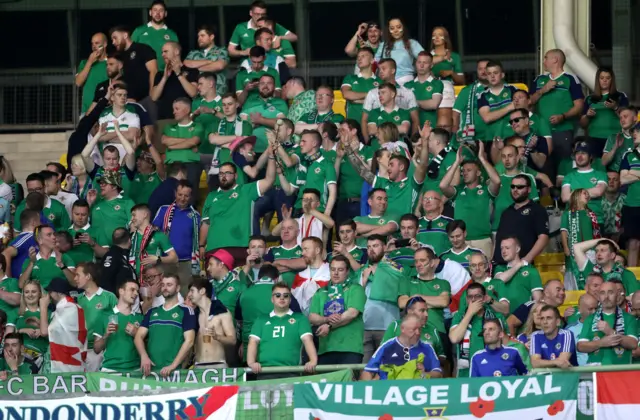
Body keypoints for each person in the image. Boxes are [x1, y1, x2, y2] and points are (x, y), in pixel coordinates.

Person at [200, 155, 276, 263]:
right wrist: (202, 245)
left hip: (240, 247)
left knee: (241, 279)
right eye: (221, 173)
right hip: (214, 248)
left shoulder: (246, 190)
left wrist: (271, 157)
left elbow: (269, 180)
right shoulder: (211, 196)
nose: (224, 176)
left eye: (228, 173)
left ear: (235, 176)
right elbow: (206, 223)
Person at [530, 49, 585, 177]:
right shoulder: (539, 80)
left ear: (555, 59)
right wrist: (544, 89)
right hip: (541, 132)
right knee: (543, 166)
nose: (543, 61)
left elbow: (579, 105)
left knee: (563, 166)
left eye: (546, 58)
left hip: (563, 130)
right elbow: (529, 101)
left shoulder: (570, 79)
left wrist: (563, 116)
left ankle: (562, 194)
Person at [440, 143, 500, 257]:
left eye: (469, 170)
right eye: (463, 171)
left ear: (478, 173)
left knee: (484, 273)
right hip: (461, 242)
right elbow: (443, 186)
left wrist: (482, 158)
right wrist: (456, 162)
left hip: (482, 240)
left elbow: (496, 181)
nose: (464, 173)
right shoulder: (458, 191)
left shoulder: (486, 190)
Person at [247, 282, 317, 379]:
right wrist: (251, 362)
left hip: (292, 371)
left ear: (290, 299)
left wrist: (313, 360)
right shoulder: (261, 320)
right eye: (278, 295)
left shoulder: (300, 318)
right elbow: (253, 342)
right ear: (272, 299)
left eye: (286, 295)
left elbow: (307, 340)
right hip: (265, 371)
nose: (282, 298)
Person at [355, 235, 408, 362]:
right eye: (368, 247)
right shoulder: (362, 271)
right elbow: (355, 297)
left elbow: (398, 286)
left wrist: (378, 270)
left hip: (388, 327)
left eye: (375, 246)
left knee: (389, 367)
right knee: (365, 369)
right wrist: (363, 280)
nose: (371, 249)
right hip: (364, 327)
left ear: (384, 247)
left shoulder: (396, 268)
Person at [134, 273, 196, 377]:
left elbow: (189, 341)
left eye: (169, 285)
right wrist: (144, 357)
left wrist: (173, 365)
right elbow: (138, 337)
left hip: (173, 372)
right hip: (151, 371)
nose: (165, 288)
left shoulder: (185, 311)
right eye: (163, 285)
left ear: (178, 288)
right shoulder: (152, 312)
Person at [309, 255, 366, 365]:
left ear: (348, 271)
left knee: (349, 382)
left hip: (350, 348)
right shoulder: (321, 291)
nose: (336, 273)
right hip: (325, 349)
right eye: (333, 269)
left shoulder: (356, 289)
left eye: (340, 270)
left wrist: (329, 326)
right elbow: (312, 317)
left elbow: (352, 313)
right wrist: (326, 319)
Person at [152, 180, 201, 295]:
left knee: (185, 295)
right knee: (161, 294)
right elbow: (153, 233)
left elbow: (197, 239)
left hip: (186, 263)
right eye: (180, 195)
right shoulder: (164, 210)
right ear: (175, 193)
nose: (182, 198)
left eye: (186, 196)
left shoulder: (195, 216)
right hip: (165, 261)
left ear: (191, 197)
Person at [361, 314, 442, 380]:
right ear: (402, 329)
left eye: (419, 329)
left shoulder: (427, 348)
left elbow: (438, 374)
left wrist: (424, 374)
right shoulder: (387, 347)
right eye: (413, 329)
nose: (417, 333)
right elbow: (368, 371)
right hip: (389, 391)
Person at [577, 281, 638, 365]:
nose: (606, 296)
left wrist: (611, 332)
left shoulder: (629, 318)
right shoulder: (590, 319)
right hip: (597, 371)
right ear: (598, 297)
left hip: (622, 370)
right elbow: (580, 346)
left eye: (610, 292)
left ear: (617, 296)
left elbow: (633, 344)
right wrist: (601, 343)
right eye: (602, 293)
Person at [493, 175, 549, 265]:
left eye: (520, 187)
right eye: (513, 186)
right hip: (500, 265)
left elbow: (543, 238)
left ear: (529, 189)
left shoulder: (537, 210)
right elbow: (499, 239)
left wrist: (526, 260)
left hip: (522, 265)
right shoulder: (506, 212)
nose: (515, 189)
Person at [360, 59, 419, 139]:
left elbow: (415, 120)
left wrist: (412, 142)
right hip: (378, 142)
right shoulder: (372, 93)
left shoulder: (407, 93)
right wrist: (368, 143)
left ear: (393, 70)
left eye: (383, 69)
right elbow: (364, 120)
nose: (380, 71)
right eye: (379, 69)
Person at [76, 262, 118, 372]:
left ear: (88, 276)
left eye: (78, 275)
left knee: (95, 387)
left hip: (100, 351)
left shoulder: (109, 297)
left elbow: (116, 322)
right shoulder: (77, 299)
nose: (75, 278)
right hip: (79, 350)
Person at [93, 279, 143, 373]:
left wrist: (136, 333)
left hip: (135, 370)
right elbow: (96, 349)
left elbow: (148, 346)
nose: (136, 293)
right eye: (132, 290)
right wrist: (106, 334)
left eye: (137, 291)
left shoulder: (140, 318)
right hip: (110, 369)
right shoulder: (104, 316)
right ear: (121, 291)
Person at [41, 277, 88, 373]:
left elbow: (44, 332)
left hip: (68, 363)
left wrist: (43, 307)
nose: (48, 295)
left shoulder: (68, 308)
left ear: (58, 293)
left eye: (50, 292)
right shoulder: (66, 307)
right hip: (67, 361)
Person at [188, 276, 235, 368]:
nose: (189, 295)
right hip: (198, 365)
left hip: (218, 365)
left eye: (192, 291)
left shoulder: (222, 311)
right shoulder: (193, 315)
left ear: (202, 291)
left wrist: (217, 337)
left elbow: (232, 340)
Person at [581, 67, 629, 157]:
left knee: (613, 168)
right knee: (597, 167)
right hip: (594, 139)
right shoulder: (589, 98)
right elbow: (582, 124)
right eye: (602, 78)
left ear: (612, 80)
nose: (605, 81)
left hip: (615, 139)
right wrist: (587, 116)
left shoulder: (620, 96)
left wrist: (615, 108)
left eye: (608, 78)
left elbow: (627, 119)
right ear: (597, 80)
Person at [382, 296, 445, 362]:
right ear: (410, 312)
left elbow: (441, 356)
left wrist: (429, 360)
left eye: (427, 311)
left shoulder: (433, 330)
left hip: (425, 371)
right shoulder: (395, 326)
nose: (426, 314)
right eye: (422, 310)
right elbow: (383, 351)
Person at [110, 25, 158, 109]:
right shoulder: (121, 56)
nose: (113, 42)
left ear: (125, 35)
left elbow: (153, 71)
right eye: (112, 39)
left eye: (115, 38)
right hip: (128, 101)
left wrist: (151, 95)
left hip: (146, 99)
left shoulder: (143, 49)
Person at [228, 1, 297, 58]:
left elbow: (294, 37)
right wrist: (243, 52)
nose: (260, 17)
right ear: (251, 13)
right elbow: (230, 51)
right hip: (247, 66)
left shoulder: (270, 25)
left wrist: (280, 37)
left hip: (271, 64)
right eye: (257, 14)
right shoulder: (240, 27)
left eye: (263, 14)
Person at [561, 140, 608, 225]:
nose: (579, 156)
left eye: (583, 153)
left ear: (590, 156)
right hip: (573, 220)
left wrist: (574, 193)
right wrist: (589, 192)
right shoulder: (568, 176)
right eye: (577, 153)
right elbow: (565, 197)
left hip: (596, 220)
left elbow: (599, 192)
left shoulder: (601, 175)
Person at [573, 238, 638, 297]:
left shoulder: (626, 274)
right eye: (596, 251)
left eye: (602, 250)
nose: (598, 254)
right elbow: (576, 248)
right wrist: (603, 239)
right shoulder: (591, 271)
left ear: (612, 255)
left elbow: (635, 299)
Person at [493, 236, 543, 312]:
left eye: (507, 248)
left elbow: (538, 300)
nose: (503, 251)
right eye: (502, 248)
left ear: (517, 249)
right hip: (504, 318)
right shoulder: (500, 268)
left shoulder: (531, 270)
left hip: (524, 317)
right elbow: (501, 280)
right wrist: (519, 264)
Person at [151, 43, 199, 121]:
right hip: (164, 119)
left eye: (166, 51)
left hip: (185, 119)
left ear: (176, 51)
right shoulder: (160, 74)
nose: (163, 55)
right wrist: (164, 78)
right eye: (162, 52)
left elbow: (193, 93)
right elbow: (154, 97)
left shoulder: (191, 71)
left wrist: (178, 74)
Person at [430, 26, 465, 131]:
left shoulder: (454, 56)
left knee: (446, 120)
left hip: (447, 87)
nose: (436, 37)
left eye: (440, 35)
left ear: (445, 38)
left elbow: (461, 80)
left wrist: (451, 73)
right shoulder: (427, 55)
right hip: (430, 87)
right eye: (434, 35)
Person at [19, 225, 76, 290]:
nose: (54, 237)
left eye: (54, 234)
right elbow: (21, 285)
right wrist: (32, 263)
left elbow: (75, 283)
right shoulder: (30, 260)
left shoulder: (65, 257)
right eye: (49, 235)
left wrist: (61, 265)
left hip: (61, 297)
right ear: (39, 240)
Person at [561, 189, 599, 285]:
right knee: (574, 276)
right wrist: (565, 247)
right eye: (584, 193)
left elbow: (596, 232)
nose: (587, 195)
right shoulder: (567, 213)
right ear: (576, 196)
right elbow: (564, 232)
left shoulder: (591, 213)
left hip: (590, 250)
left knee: (589, 275)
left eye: (587, 193)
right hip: (573, 251)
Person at [129, 204, 178, 278]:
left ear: (144, 215)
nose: (131, 219)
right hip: (133, 278)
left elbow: (174, 258)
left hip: (152, 280)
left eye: (134, 215)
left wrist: (158, 259)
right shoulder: (131, 236)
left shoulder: (159, 235)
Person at [458, 252, 510, 316]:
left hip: (495, 324)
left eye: (480, 264)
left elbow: (506, 310)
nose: (477, 268)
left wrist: (490, 300)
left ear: (486, 266)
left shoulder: (498, 283)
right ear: (470, 269)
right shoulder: (466, 291)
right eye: (474, 265)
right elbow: (460, 316)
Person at [132, 1, 179, 72]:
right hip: (142, 73)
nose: (157, 13)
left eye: (161, 10)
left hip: (165, 74)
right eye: (155, 10)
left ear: (165, 14)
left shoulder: (172, 34)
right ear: (150, 12)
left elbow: (176, 57)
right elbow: (130, 52)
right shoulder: (139, 31)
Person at [374, 17, 423, 85]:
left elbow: (424, 58)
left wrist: (442, 57)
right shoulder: (383, 45)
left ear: (403, 28)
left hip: (406, 80)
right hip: (387, 81)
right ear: (388, 30)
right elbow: (375, 62)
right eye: (392, 28)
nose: (396, 30)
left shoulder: (412, 43)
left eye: (398, 27)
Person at [478, 61, 518, 139]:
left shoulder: (513, 90)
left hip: (513, 136)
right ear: (486, 77)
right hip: (492, 139)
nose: (492, 76)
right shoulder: (483, 96)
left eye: (495, 73)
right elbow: (487, 118)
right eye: (489, 74)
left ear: (502, 75)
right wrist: (509, 107)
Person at [184, 25, 229, 95]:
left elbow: (220, 65)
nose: (199, 38)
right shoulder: (193, 53)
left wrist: (195, 69)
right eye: (198, 36)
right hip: (198, 95)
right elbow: (187, 63)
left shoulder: (221, 50)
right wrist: (209, 62)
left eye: (202, 36)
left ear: (211, 37)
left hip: (218, 94)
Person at [341, 48, 381, 125]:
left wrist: (356, 99)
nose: (359, 59)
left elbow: (381, 101)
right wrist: (371, 96)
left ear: (372, 60)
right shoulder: (350, 78)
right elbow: (347, 94)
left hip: (374, 125)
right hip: (353, 127)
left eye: (363, 56)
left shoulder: (380, 81)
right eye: (358, 57)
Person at [453, 58, 489, 142]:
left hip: (494, 136)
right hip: (471, 138)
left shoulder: (500, 89)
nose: (483, 71)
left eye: (486, 69)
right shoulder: (467, 91)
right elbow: (455, 114)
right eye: (480, 69)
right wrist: (454, 137)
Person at [15, 281, 49, 368]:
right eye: (27, 292)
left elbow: (57, 338)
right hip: (21, 358)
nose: (30, 295)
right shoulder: (16, 313)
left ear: (40, 294)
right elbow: (8, 338)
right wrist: (21, 330)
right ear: (23, 295)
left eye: (33, 292)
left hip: (44, 357)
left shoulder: (49, 313)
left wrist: (43, 331)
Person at [205, 249, 246, 318]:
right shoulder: (207, 286)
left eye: (211, 264)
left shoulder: (238, 287)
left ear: (221, 265)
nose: (208, 268)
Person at [75, 32, 109, 115]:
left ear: (104, 44)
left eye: (97, 43)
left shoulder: (111, 62)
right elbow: (78, 83)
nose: (94, 46)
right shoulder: (84, 63)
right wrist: (90, 62)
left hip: (107, 111)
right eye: (92, 43)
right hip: (87, 110)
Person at [620, 134, 640, 266]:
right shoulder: (628, 155)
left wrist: (633, 173)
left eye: (638, 131)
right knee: (633, 244)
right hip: (632, 205)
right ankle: (633, 279)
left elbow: (628, 176)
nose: (634, 134)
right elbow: (623, 179)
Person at [100, 228, 137, 294]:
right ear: (129, 240)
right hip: (116, 301)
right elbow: (105, 280)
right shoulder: (111, 256)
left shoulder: (123, 255)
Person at [415, 191, 453, 255]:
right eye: (425, 199)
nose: (427, 201)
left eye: (431, 198)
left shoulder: (449, 222)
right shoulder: (416, 223)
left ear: (440, 203)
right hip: (421, 262)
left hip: (443, 262)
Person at [566, 293, 598, 366]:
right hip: (581, 373)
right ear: (580, 309)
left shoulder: (604, 326)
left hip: (601, 372)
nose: (594, 312)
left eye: (596, 308)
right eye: (590, 309)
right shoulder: (570, 330)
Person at [602, 107, 637, 172]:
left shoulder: (638, 138)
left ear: (635, 118)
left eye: (625, 116)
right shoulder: (613, 137)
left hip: (633, 175)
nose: (622, 120)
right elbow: (604, 162)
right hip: (615, 175)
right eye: (620, 118)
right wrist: (614, 148)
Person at [601, 171, 625, 242]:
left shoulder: (627, 200)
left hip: (621, 237)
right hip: (599, 237)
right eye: (608, 179)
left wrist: (620, 232)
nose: (611, 182)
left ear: (620, 183)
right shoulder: (596, 200)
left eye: (615, 180)